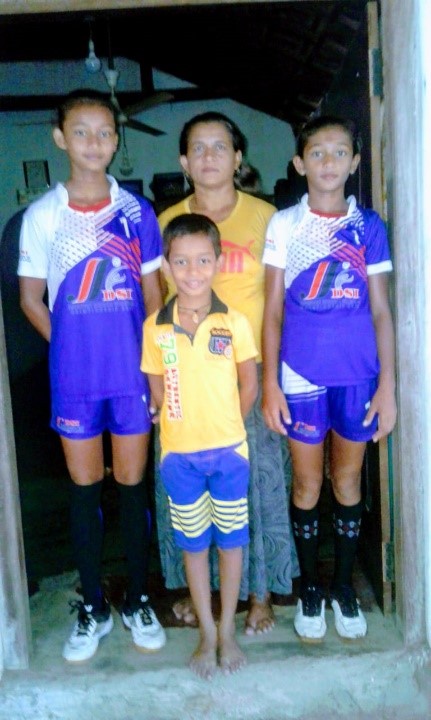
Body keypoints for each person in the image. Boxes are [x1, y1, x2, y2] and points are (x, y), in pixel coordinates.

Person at [17, 90, 166, 662]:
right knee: (83, 492)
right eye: (81, 132)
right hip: (75, 379)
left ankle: (138, 600)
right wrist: (69, 346)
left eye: (105, 132)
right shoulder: (42, 216)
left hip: (132, 375)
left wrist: (155, 368)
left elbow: (153, 296)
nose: (94, 143)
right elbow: (31, 299)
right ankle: (94, 606)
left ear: (116, 140)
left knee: (131, 486)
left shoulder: (136, 212)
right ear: (60, 138)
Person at [157, 111, 299, 635]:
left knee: (254, 484)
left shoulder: (268, 218)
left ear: (238, 158)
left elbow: (282, 303)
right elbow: (154, 302)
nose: (209, 156)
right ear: (183, 161)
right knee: (191, 486)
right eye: (198, 147)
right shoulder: (166, 221)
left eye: (221, 146)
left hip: (250, 371)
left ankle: (259, 594)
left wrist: (271, 379)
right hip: (185, 374)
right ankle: (203, 593)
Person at [262, 115, 397, 642]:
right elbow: (273, 310)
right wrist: (271, 383)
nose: (328, 162)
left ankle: (342, 586)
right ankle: (311, 590)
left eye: (340, 152)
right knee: (307, 483)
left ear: (355, 162)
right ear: (299, 163)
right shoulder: (284, 225)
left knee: (347, 481)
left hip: (358, 374)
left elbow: (381, 311)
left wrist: (388, 386)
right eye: (317, 152)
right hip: (298, 373)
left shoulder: (369, 227)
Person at [142, 213, 258, 678]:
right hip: (179, 458)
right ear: (166, 266)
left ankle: (227, 630)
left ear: (218, 262)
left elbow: (249, 385)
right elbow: (156, 389)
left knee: (231, 544)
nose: (193, 271)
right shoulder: (155, 328)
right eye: (182, 261)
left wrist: (226, 425)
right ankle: (206, 634)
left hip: (229, 454)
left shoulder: (234, 322)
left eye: (203, 260)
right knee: (193, 547)